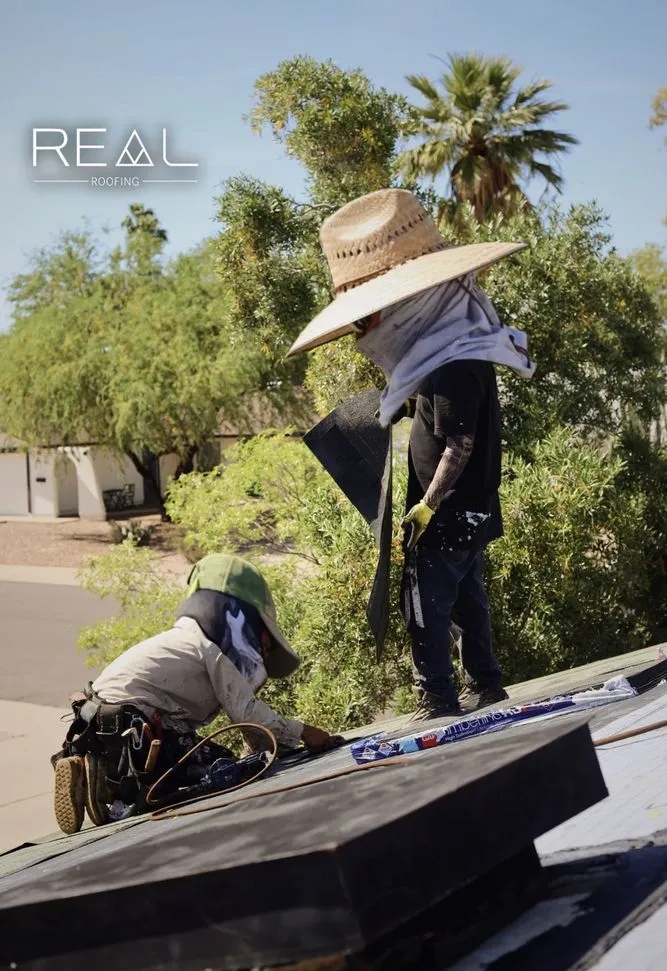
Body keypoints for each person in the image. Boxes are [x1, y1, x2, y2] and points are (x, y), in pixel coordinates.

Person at [287, 188, 536, 722]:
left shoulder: (450, 363)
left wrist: (427, 504)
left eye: (368, 318)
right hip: (473, 511)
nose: (364, 333)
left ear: (406, 304)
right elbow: (446, 422)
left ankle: (438, 697)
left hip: (448, 513)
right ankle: (486, 683)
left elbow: (460, 443)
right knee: (469, 599)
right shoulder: (453, 350)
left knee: (423, 600)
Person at [53, 553, 339, 834]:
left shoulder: (180, 642)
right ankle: (107, 782)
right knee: (221, 767)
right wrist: (303, 732)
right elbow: (247, 712)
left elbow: (247, 724)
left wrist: (258, 745)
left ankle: (96, 774)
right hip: (133, 725)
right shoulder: (210, 650)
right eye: (265, 643)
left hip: (98, 723)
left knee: (176, 762)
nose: (263, 653)